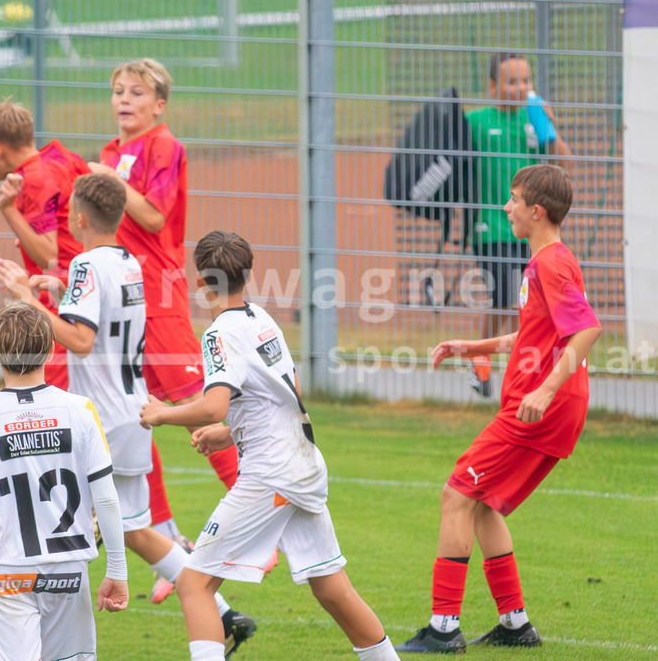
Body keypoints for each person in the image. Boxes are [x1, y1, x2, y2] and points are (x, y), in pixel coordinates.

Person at [0, 173, 257, 658]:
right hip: (133, 410)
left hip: (100, 421)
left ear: (77, 217)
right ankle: (222, 614)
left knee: (57, 527)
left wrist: (27, 299)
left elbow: (80, 340)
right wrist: (60, 287)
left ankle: (52, 642)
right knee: (136, 531)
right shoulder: (128, 261)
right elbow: (106, 313)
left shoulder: (86, 266)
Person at [140, 231, 399, 661]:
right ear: (248, 274)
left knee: (193, 583)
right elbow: (288, 389)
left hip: (271, 474)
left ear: (200, 281)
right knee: (331, 586)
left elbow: (214, 405)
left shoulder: (219, 333)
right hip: (303, 465)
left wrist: (162, 414)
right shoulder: (261, 317)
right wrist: (229, 433)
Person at [395, 165, 602, 654]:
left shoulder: (550, 264)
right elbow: (534, 333)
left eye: (513, 199)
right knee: (483, 504)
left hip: (541, 409)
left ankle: (443, 628)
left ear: (537, 211)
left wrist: (545, 391)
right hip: (548, 407)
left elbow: (587, 329)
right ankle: (514, 624)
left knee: (456, 495)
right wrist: (473, 347)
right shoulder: (549, 261)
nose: (506, 207)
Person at [89, 58, 244, 601]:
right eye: (118, 91)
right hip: (123, 299)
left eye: (136, 92)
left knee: (199, 401)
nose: (124, 99)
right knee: (139, 413)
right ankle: (167, 536)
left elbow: (155, 217)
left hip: (158, 296)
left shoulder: (164, 146)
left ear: (159, 104)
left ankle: (256, 505)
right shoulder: (111, 152)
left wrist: (108, 180)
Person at [0, 302, 129, 661]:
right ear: (51, 350)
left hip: (6, 572)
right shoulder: (81, 410)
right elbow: (107, 499)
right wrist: (117, 569)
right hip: (68, 568)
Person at [465, 53, 573, 398]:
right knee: (506, 298)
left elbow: (564, 165)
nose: (522, 88)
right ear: (492, 86)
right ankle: (485, 359)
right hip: (491, 227)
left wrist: (549, 129)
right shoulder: (475, 122)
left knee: (522, 302)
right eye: (512, 82)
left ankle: (521, 367)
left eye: (526, 80)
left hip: (529, 230)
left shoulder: (533, 119)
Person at [0, 100, 88, 388]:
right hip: (86, 286)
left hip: (61, 295)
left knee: (52, 399)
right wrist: (26, 237)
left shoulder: (32, 179)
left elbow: (49, 255)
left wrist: (8, 208)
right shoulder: (63, 158)